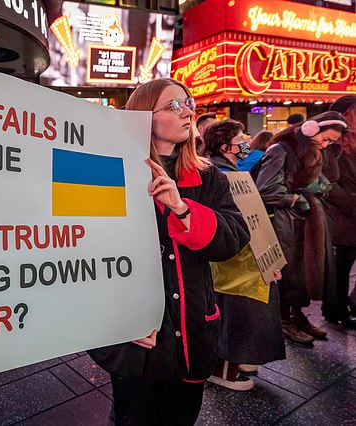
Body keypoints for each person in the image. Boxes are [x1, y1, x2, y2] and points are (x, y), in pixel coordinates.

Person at [88, 78, 250, 425]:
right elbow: (85, 254)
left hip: (192, 332)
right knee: (133, 417)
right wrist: (116, 319)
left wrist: (183, 210)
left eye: (188, 102)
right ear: (144, 116)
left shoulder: (209, 178)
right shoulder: (107, 170)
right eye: (174, 105)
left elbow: (234, 239)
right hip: (136, 338)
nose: (188, 110)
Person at [203, 120, 285, 391]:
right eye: (240, 140)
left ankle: (242, 357)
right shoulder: (218, 173)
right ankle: (226, 366)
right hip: (235, 262)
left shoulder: (229, 169)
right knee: (237, 313)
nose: (245, 145)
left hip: (243, 257)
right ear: (225, 146)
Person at [255, 111, 348, 344]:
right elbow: (265, 188)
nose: (327, 145)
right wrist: (295, 200)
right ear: (311, 129)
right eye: (326, 139)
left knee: (304, 272)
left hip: (306, 220)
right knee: (290, 273)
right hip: (286, 221)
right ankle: (284, 320)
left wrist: (321, 189)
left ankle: (298, 315)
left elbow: (311, 180)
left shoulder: (312, 149)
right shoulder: (280, 150)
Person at [322, 95, 356, 329]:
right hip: (343, 215)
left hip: (350, 213)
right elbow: (327, 183)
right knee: (341, 267)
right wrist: (351, 202)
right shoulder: (332, 144)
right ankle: (336, 309)